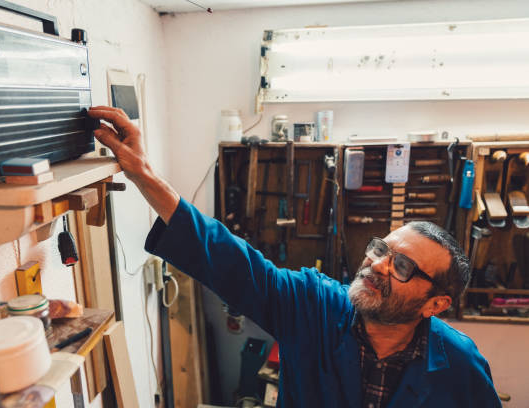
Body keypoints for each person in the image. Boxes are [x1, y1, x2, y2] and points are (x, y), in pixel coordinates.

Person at [88, 106, 501, 408]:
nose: (377, 264)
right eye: (381, 249)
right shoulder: (313, 305)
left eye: (403, 266)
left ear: (436, 303)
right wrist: (142, 172)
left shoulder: (459, 364)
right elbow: (231, 260)